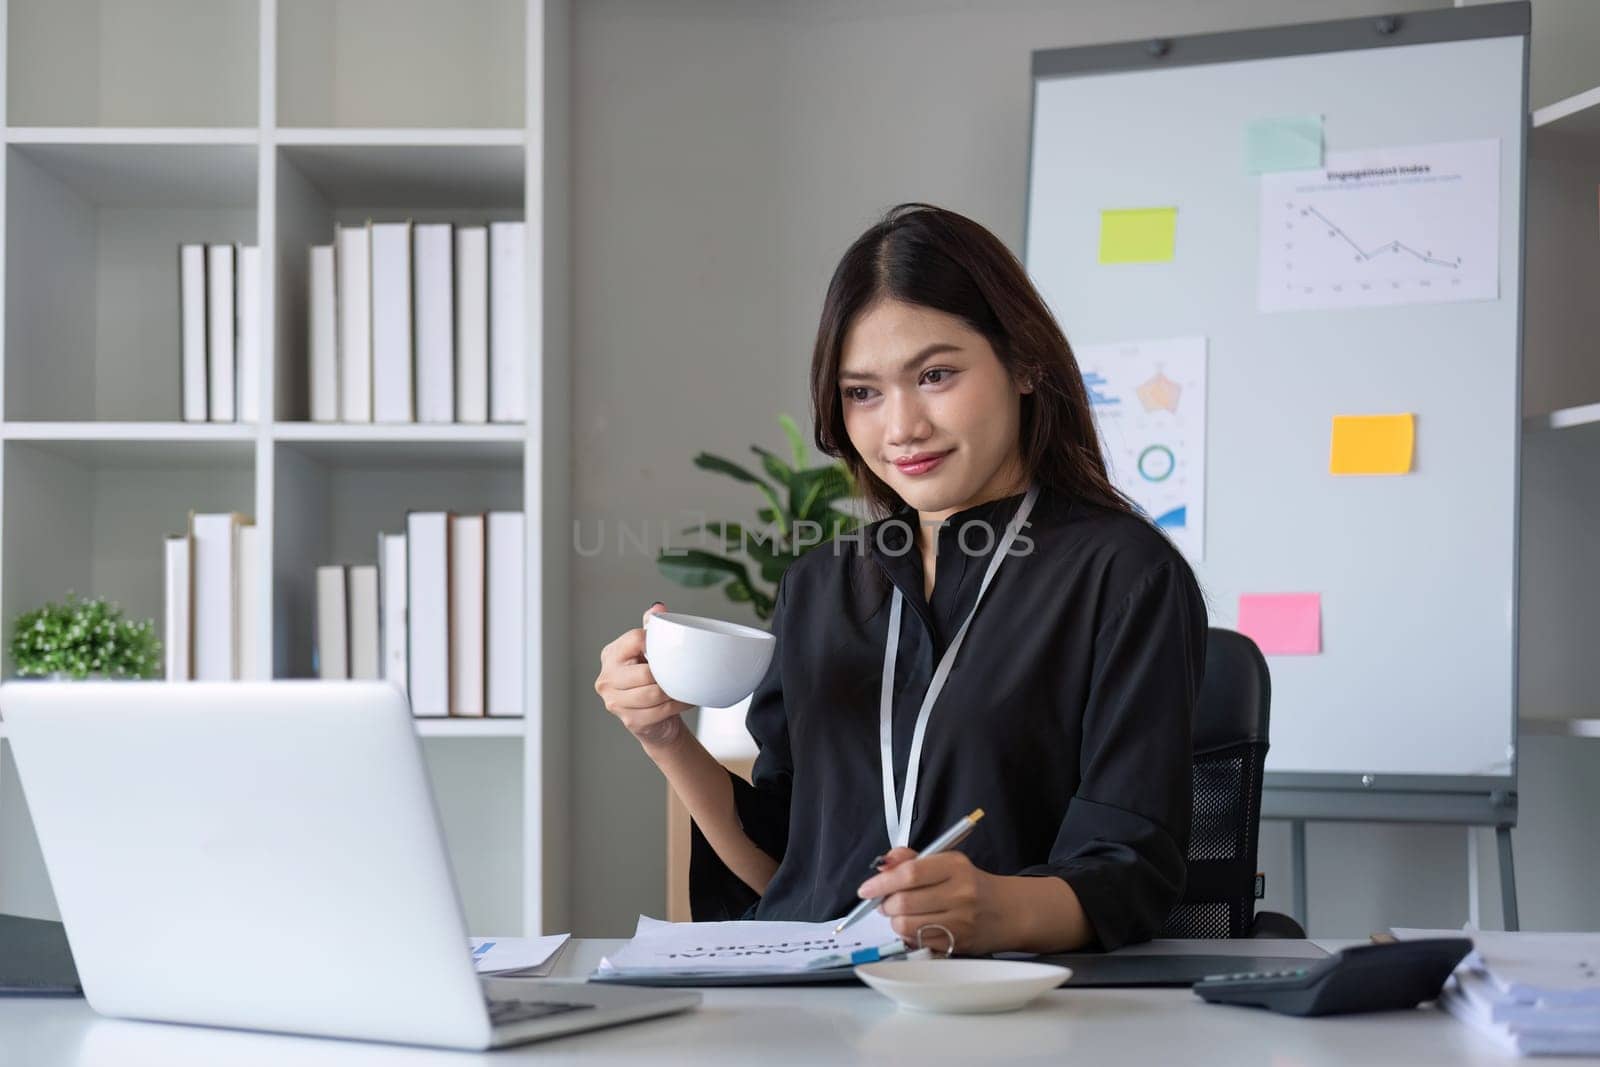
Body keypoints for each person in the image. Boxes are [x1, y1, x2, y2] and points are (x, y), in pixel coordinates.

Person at [595, 203, 1205, 954]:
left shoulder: (1124, 575)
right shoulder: (820, 586)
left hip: (1010, 1013)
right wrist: (665, 737)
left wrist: (995, 907)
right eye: (863, 392)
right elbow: (786, 868)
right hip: (812, 1006)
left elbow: (1131, 869)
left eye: (936, 374)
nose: (900, 426)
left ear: (1023, 364)